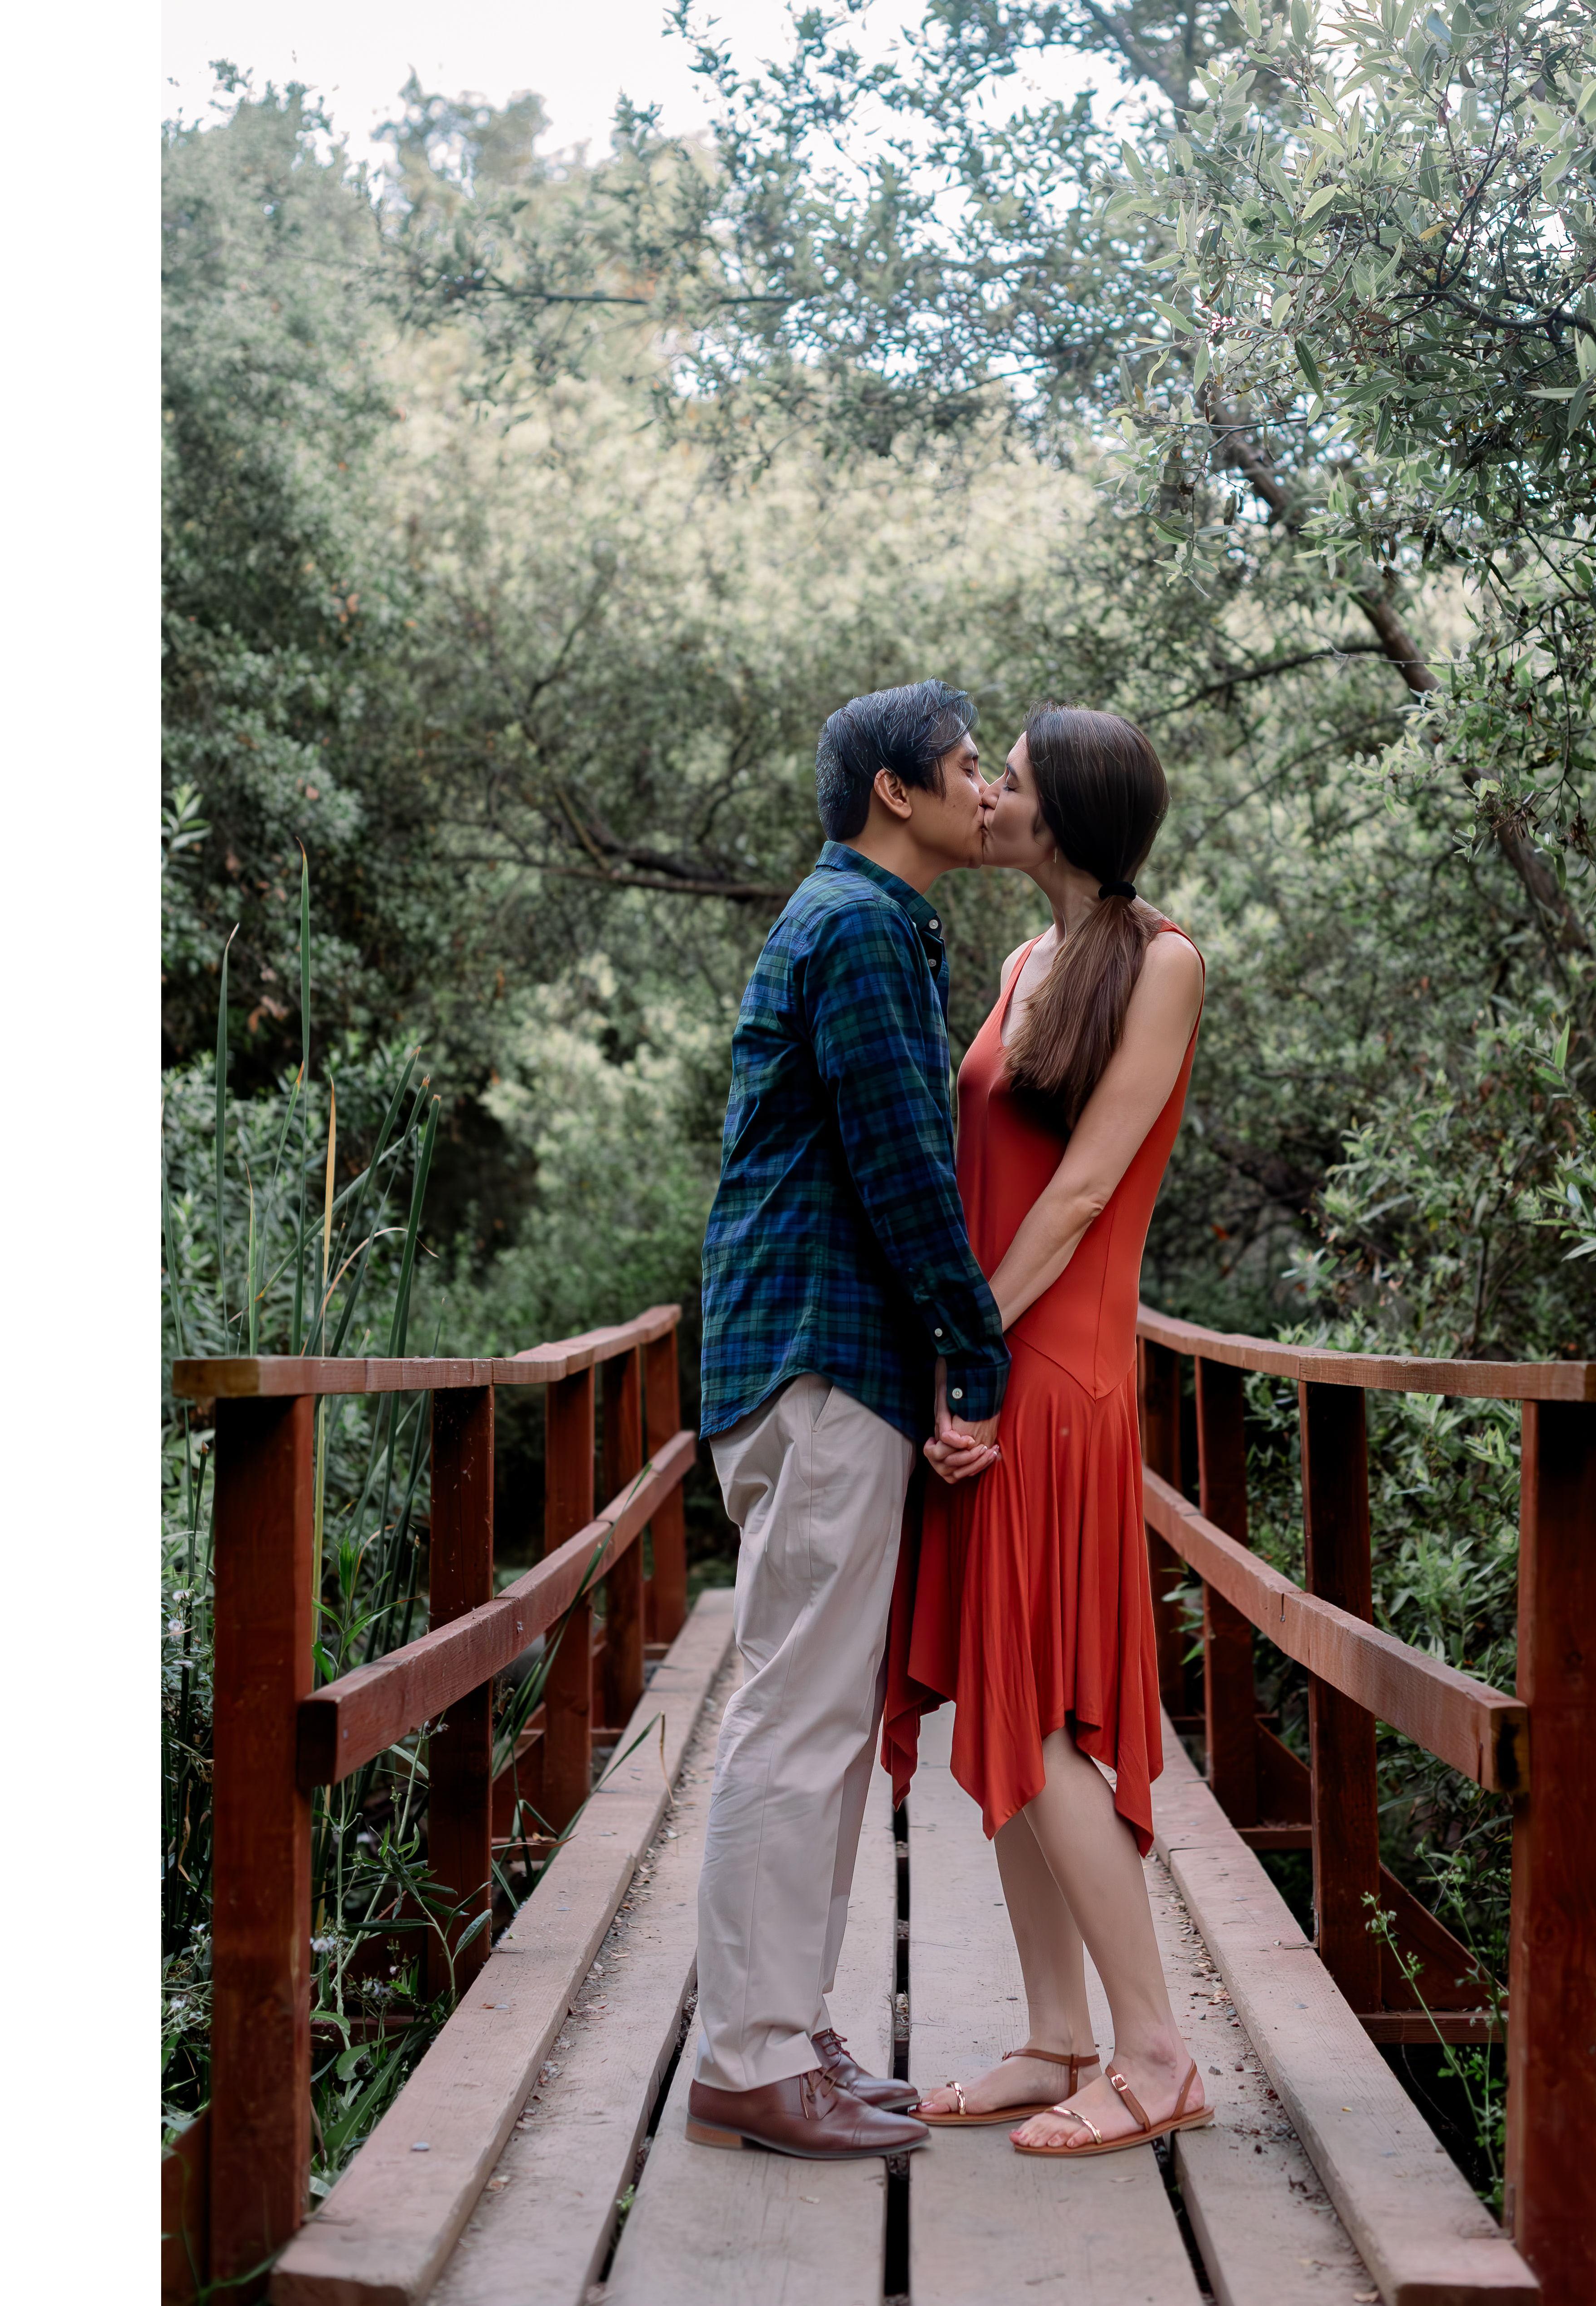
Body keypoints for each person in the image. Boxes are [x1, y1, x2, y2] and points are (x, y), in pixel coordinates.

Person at [685, 680, 1010, 2161]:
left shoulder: (861, 921)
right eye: (966, 766)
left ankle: (788, 2029)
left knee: (814, 1711)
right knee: (798, 1715)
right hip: (820, 1361)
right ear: (897, 790)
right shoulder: (863, 929)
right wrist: (975, 1352)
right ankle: (750, 2059)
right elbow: (901, 1169)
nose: (985, 789)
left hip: (817, 1361)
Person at [883, 703, 1214, 2158]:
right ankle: (1055, 2037)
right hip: (993, 1361)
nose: (987, 796)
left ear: (1064, 812)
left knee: (1047, 1714)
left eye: (1007, 780)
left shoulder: (1163, 962)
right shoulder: (1027, 962)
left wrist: (969, 1353)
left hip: (1056, 1374)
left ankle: (1158, 2056)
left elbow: (1079, 1194)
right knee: (1000, 1700)